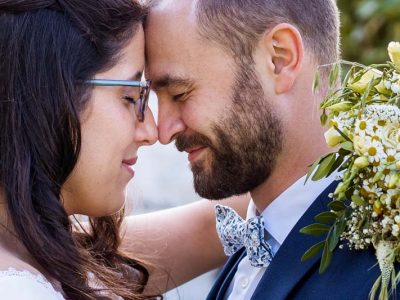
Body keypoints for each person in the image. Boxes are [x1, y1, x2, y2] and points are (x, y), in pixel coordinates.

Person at [0, 1, 249, 299]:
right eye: (131, 97)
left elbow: (208, 230)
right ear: (50, 98)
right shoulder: (18, 288)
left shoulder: (41, 249)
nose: (152, 132)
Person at [145, 0, 393, 299]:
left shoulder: (385, 272)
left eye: (179, 93)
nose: (163, 131)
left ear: (280, 58)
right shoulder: (247, 252)